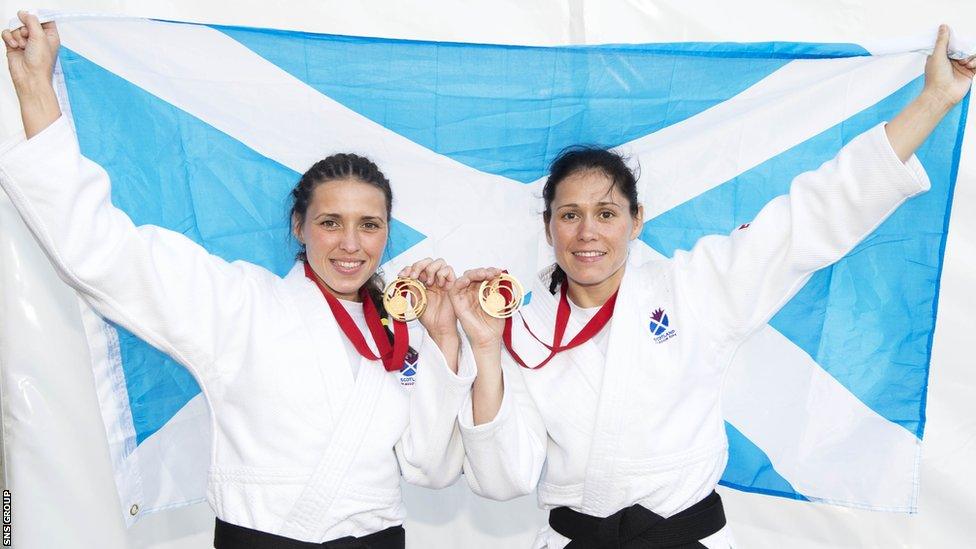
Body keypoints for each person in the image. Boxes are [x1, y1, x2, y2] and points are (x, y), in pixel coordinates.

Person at [447, 25, 975, 549]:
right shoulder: (523, 326)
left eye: (606, 213)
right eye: (570, 215)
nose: (588, 233)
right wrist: (487, 348)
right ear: (548, 228)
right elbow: (503, 480)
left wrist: (933, 100)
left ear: (637, 222)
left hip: (684, 538)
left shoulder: (693, 287)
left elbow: (812, 214)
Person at [1, 12, 474, 549]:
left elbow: (431, 470)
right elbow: (101, 248)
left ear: (387, 234)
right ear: (299, 227)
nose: (350, 244)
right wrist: (35, 86)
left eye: (369, 225)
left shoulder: (402, 332)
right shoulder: (240, 304)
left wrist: (442, 340)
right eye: (329, 223)